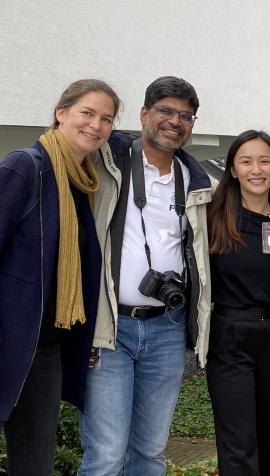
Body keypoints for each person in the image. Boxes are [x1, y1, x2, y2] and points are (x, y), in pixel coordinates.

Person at [78, 76, 213, 475]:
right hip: (111, 328)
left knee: (151, 453)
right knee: (105, 455)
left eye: (185, 115)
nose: (175, 121)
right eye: (165, 111)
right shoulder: (106, 164)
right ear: (143, 115)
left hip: (166, 329)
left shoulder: (196, 181)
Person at [0, 79, 118, 475]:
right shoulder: (24, 166)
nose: (96, 125)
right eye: (87, 113)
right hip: (6, 340)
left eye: (106, 119)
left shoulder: (82, 183)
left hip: (45, 349)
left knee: (35, 464)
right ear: (61, 112)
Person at [205, 130, 270, 474]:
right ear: (232, 169)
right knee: (238, 446)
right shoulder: (212, 216)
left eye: (264, 161)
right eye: (246, 161)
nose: (255, 169)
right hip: (229, 336)